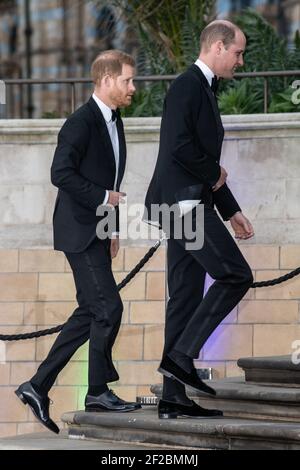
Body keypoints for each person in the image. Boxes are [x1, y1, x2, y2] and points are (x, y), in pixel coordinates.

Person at [15, 50, 141, 434]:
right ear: (106, 80)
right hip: (78, 230)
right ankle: (98, 391)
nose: (132, 87)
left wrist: (112, 227)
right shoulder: (79, 122)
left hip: (97, 231)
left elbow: (112, 180)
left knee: (90, 311)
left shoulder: (115, 122)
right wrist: (103, 200)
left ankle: (37, 386)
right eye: (127, 80)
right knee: (109, 307)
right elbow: (61, 174)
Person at [144, 20, 254, 420]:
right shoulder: (188, 85)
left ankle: (173, 395)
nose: (240, 61)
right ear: (219, 47)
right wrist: (214, 176)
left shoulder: (202, 87)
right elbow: (179, 148)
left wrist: (232, 210)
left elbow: (205, 163)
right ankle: (182, 357)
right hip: (182, 207)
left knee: (185, 299)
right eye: (238, 52)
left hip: (185, 205)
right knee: (236, 275)